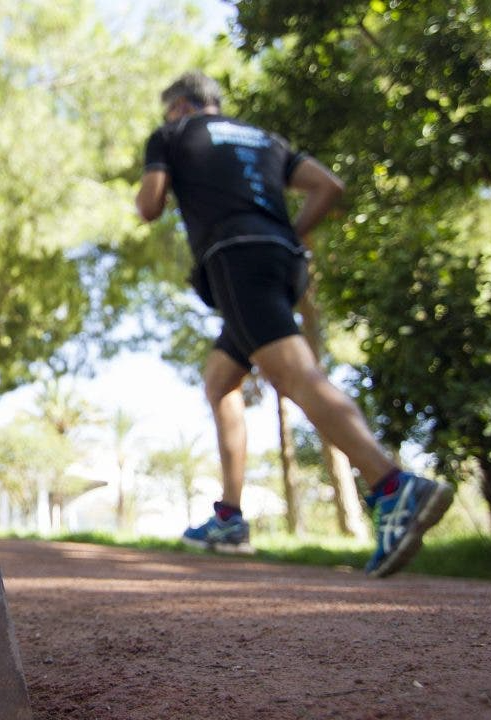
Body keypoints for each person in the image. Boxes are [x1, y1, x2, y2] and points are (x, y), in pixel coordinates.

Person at [134, 71, 454, 578]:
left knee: (295, 375)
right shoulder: (265, 138)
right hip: (282, 262)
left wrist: (159, 180)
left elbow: (150, 206)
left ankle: (391, 485)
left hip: (234, 258)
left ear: (178, 107)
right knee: (221, 380)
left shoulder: (171, 134)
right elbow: (328, 186)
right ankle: (231, 517)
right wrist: (286, 233)